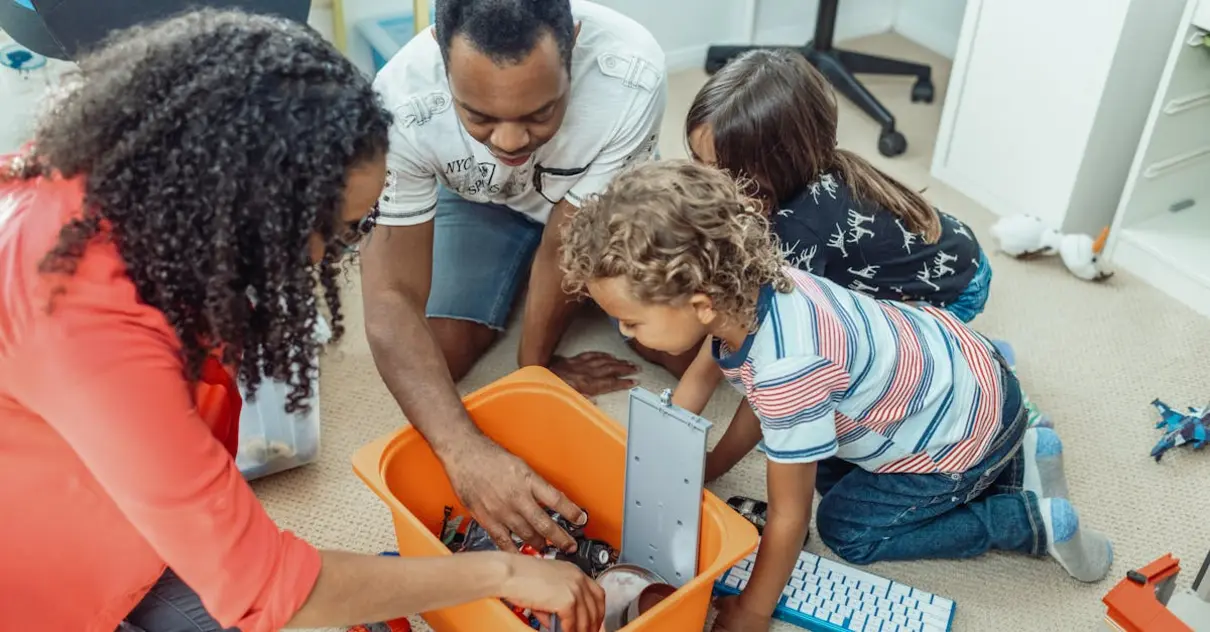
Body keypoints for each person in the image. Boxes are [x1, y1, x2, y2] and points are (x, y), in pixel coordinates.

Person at [0, 11, 602, 632]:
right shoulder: (85, 323)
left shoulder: (124, 179)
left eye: (356, 230)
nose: (324, 259)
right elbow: (271, 589)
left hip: (127, 523)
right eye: (331, 231)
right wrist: (505, 573)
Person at [558, 160, 1113, 632]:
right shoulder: (757, 288)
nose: (627, 336)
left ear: (701, 305)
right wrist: (688, 464)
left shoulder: (787, 371)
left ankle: (1023, 517)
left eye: (631, 323)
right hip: (971, 376)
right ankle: (1025, 457)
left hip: (962, 435)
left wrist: (754, 609)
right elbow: (709, 378)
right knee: (814, 464)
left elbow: (788, 516)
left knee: (846, 526)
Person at [361, 0, 666, 552]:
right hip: (481, 207)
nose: (508, 143)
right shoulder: (398, 101)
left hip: (598, 213)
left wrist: (535, 371)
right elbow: (389, 295)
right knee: (436, 359)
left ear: (572, 44)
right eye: (477, 116)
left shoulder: (632, 73)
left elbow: (567, 239)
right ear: (438, 48)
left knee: (683, 343)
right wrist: (464, 453)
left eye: (539, 114)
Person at [674, 49, 1045, 431]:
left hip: (952, 289)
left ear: (776, 163)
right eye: (697, 162)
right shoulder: (797, 177)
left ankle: (998, 388)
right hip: (950, 258)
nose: (704, 181)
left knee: (876, 378)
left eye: (720, 171)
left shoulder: (799, 230)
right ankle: (981, 349)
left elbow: (777, 341)